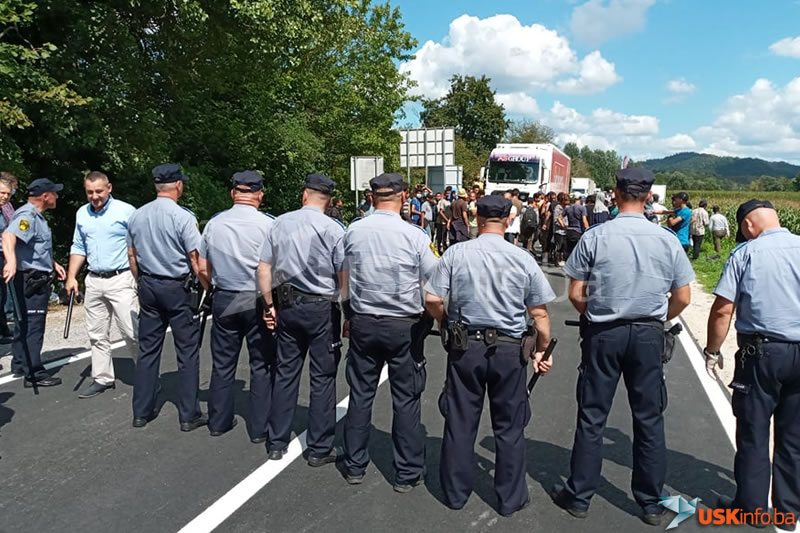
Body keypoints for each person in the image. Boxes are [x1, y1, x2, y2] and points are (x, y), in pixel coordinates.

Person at [551, 167, 694, 527]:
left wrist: (597, 313)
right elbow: (683, 296)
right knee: (649, 418)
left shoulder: (595, 236)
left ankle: (579, 495)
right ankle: (650, 502)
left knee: (592, 415)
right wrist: (657, 319)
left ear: (614, 193)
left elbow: (576, 293)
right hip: (648, 333)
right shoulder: (666, 239)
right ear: (648, 197)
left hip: (604, 331)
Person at [424, 194, 555, 516]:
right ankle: (510, 499)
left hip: (466, 346)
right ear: (509, 219)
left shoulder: (456, 253)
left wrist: (445, 321)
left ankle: (455, 494)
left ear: (476, 218)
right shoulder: (523, 258)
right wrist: (541, 350)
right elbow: (539, 314)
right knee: (510, 426)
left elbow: (432, 299)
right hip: (510, 350)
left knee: (460, 420)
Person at [336, 172, 437, 491]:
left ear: (371, 197)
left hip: (364, 321)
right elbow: (435, 278)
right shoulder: (415, 235)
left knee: (360, 395)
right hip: (404, 325)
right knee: (406, 398)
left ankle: (354, 465)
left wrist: (349, 313)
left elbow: (343, 276)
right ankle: (407, 472)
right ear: (403, 197)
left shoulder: (353, 231)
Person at [704, 200, 800, 528]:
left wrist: (712, 350)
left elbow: (722, 310)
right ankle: (788, 513)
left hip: (762, 353)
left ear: (747, 225)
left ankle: (752, 509)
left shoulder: (746, 253)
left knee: (754, 431)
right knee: (794, 435)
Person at [259, 173, 345, 464]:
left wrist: (269, 306)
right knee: (322, 377)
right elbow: (343, 274)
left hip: (287, 304)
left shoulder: (280, 223)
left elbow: (263, 268)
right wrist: (346, 309)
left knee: (286, 372)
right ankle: (319, 448)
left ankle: (276, 441)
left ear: (304, 194)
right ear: (328, 201)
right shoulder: (333, 230)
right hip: (321, 307)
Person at [127, 163, 206, 431]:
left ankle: (141, 411)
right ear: (178, 186)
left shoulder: (137, 215)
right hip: (176, 287)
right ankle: (188, 415)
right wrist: (206, 288)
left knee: (148, 350)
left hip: (148, 284)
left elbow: (132, 256)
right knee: (187, 351)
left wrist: (140, 282)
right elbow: (195, 259)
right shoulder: (183, 217)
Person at [198, 171, 276, 441]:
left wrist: (211, 288)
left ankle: (218, 422)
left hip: (224, 295)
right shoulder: (269, 225)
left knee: (222, 363)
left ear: (233, 193)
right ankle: (259, 428)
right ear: (260, 195)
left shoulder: (214, 224)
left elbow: (202, 267)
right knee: (261, 363)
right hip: (255, 297)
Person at [66, 171, 138, 399]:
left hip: (121, 278)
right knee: (96, 334)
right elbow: (78, 246)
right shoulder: (82, 213)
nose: (94, 196)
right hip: (94, 279)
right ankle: (102, 378)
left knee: (131, 331)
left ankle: (147, 375)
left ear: (109, 188)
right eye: (90, 192)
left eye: (99, 191)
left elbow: (139, 245)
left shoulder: (126, 211)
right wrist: (71, 276)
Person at [2, 178, 67, 387]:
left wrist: (52, 263)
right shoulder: (27, 216)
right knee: (34, 325)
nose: (57, 196)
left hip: (32, 274)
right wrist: (11, 261)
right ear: (45, 196)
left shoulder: (34, 216)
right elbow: (9, 236)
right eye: (54, 193)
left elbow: (32, 247)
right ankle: (34, 372)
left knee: (24, 323)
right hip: (31, 280)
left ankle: (20, 363)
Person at [0, 175, 16, 341]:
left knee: (2, 295)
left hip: (4, 253)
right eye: (2, 193)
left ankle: (3, 328)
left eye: (8, 194)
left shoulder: (6, 208)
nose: (5, 196)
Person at [564, 195, 589, 260]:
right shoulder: (582, 208)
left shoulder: (568, 208)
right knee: (577, 250)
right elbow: (584, 220)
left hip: (569, 230)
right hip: (578, 231)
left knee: (568, 249)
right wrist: (588, 229)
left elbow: (559, 218)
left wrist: (564, 226)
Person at [551, 192, 569, 266]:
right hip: (559, 231)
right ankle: (557, 260)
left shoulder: (567, 208)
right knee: (558, 246)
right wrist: (563, 226)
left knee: (564, 246)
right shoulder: (557, 208)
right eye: (566, 200)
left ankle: (562, 260)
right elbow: (555, 220)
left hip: (566, 231)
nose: (568, 202)